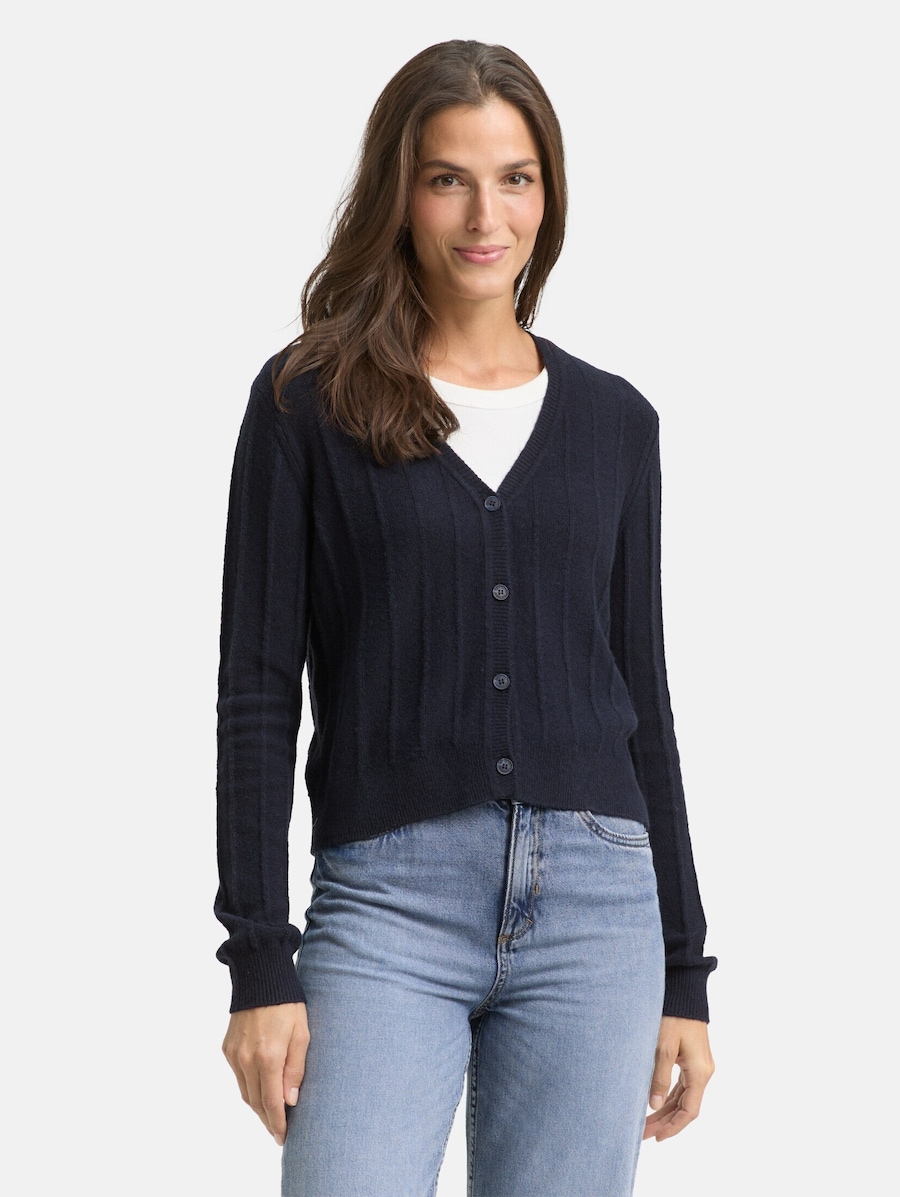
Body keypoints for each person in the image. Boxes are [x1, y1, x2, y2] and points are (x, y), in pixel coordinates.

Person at [215, 39, 716, 1197]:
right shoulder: (307, 403)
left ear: (550, 194)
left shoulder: (615, 424)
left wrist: (684, 971)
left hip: (599, 908)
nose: (486, 216)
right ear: (400, 194)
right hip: (387, 902)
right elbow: (256, 690)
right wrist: (258, 961)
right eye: (449, 179)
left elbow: (642, 699)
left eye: (515, 178)